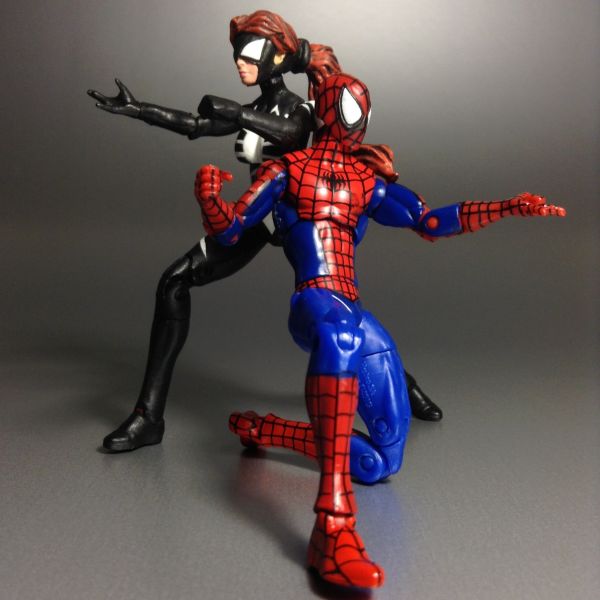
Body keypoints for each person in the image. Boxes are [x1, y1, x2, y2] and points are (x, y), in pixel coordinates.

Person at [194, 72, 565, 587]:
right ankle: (333, 525)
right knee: (342, 336)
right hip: (314, 301)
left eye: (364, 110)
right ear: (326, 107)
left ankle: (271, 430)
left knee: (381, 460)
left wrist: (506, 207)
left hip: (351, 308)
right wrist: (210, 198)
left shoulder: (365, 183)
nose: (359, 119)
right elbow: (233, 229)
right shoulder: (286, 170)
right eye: (351, 107)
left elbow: (428, 221)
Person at [88, 11, 441, 453]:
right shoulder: (254, 109)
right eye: (237, 54)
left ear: (278, 57)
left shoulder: (303, 109)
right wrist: (140, 110)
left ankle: (402, 383)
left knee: (340, 309)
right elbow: (197, 126)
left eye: (251, 53)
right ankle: (149, 416)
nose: (241, 62)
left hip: (301, 214)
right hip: (256, 214)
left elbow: (292, 134)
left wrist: (237, 113)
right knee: (175, 281)